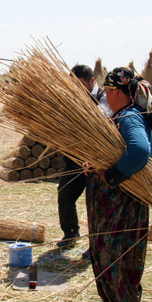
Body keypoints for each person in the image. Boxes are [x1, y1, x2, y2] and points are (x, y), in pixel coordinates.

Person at [85, 67, 152, 302]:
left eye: (107, 90)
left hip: (120, 207)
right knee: (122, 258)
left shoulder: (129, 117)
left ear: (115, 91)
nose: (105, 96)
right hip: (121, 206)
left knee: (112, 257)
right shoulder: (128, 114)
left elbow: (139, 151)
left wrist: (111, 176)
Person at [57, 64, 112, 257]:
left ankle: (95, 244)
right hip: (75, 160)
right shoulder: (72, 98)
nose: (78, 89)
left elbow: (102, 116)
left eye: (81, 85)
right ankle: (70, 234)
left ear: (92, 82)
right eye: (74, 85)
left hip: (96, 162)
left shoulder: (105, 97)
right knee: (65, 194)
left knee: (94, 202)